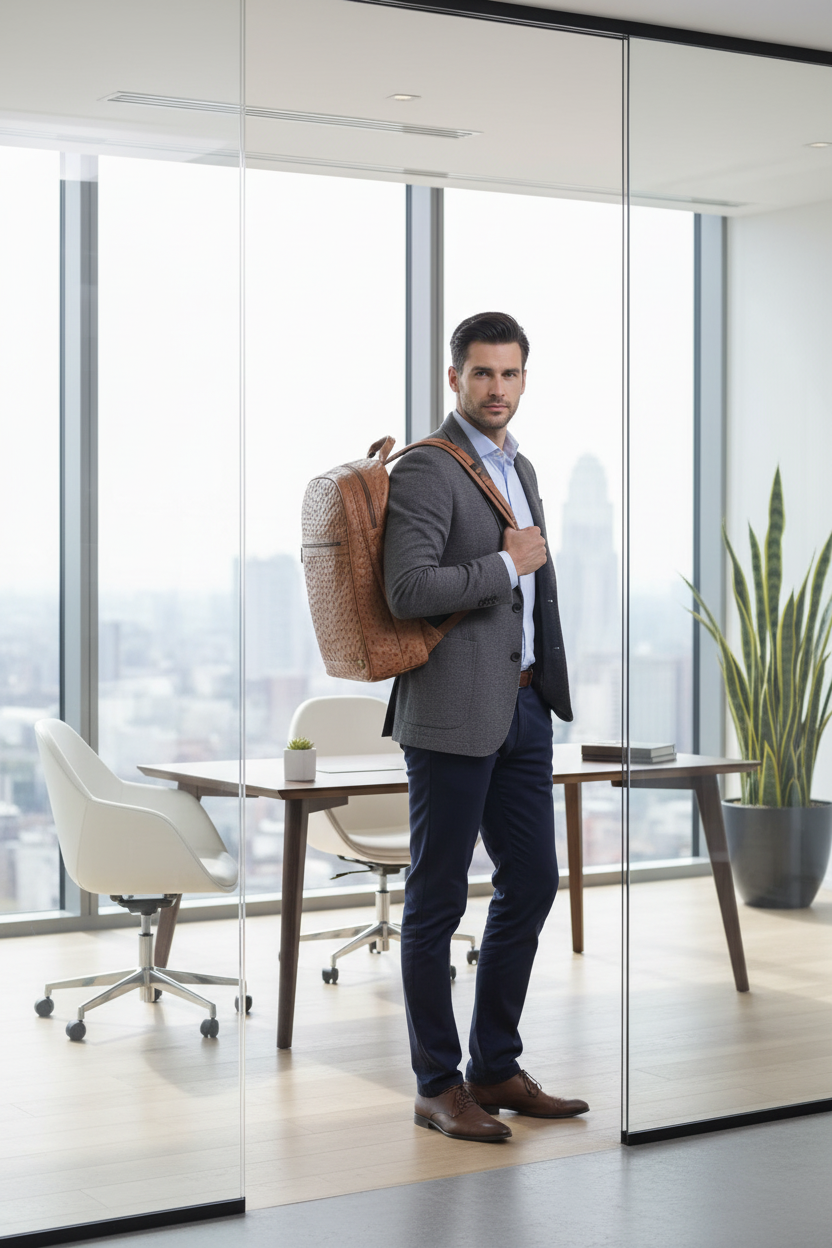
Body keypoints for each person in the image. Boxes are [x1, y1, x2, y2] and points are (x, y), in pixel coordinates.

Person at [383, 311, 589, 1143]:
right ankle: (438, 1084)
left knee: (533, 880)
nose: (496, 389)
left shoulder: (522, 465)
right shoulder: (429, 470)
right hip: (451, 714)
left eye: (509, 375)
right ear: (454, 380)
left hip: (525, 707)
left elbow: (532, 598)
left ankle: (494, 1065)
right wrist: (506, 562)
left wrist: (544, 687)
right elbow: (407, 590)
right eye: (481, 375)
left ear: (524, 379)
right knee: (435, 904)